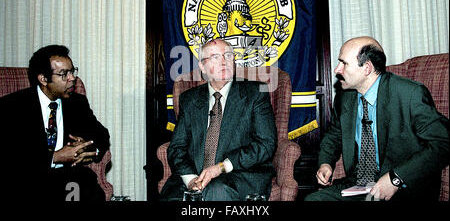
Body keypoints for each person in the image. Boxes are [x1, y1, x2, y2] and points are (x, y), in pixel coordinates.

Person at [305, 36, 449, 201]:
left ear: (367, 68)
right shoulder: (345, 97)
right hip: (361, 184)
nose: (337, 69)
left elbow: (443, 142)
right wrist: (325, 163)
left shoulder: (409, 95)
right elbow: (334, 135)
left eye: (344, 63)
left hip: (403, 186)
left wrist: (396, 178)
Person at [160, 39, 278, 201]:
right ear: (203, 67)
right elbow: (177, 147)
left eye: (228, 55)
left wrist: (221, 167)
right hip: (196, 174)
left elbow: (266, 144)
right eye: (215, 57)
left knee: (216, 191)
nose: (224, 61)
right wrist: (191, 179)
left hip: (239, 174)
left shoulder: (256, 93)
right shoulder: (189, 99)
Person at [0, 45, 110, 201]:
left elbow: (101, 134)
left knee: (87, 186)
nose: (72, 78)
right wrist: (55, 157)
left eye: (72, 71)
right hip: (26, 179)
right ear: (43, 79)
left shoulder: (76, 103)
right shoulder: (12, 107)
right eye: (64, 74)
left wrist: (89, 148)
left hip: (67, 178)